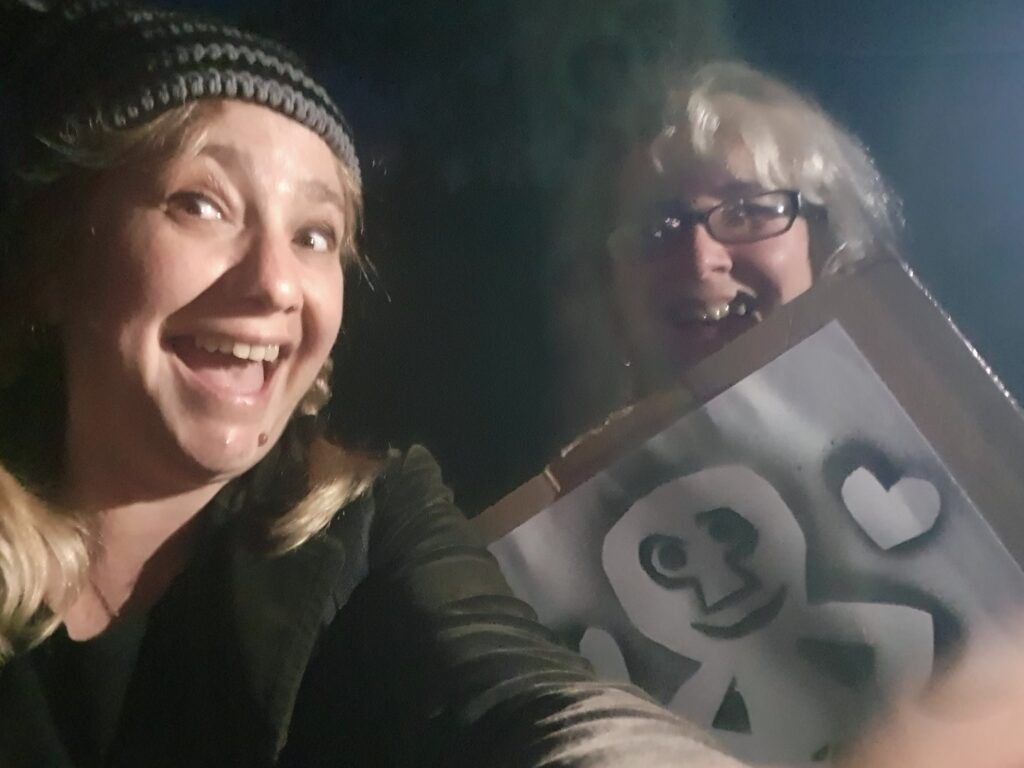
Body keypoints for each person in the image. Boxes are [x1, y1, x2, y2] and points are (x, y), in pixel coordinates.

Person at [0, 2, 751, 766]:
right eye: (201, 204)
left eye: (314, 235)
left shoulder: (368, 524)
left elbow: (516, 692)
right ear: (60, 258)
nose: (276, 284)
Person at [551, 61, 904, 437]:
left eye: (746, 212)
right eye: (656, 228)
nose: (701, 261)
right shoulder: (579, 491)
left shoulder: (938, 434)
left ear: (822, 246)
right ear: (610, 291)